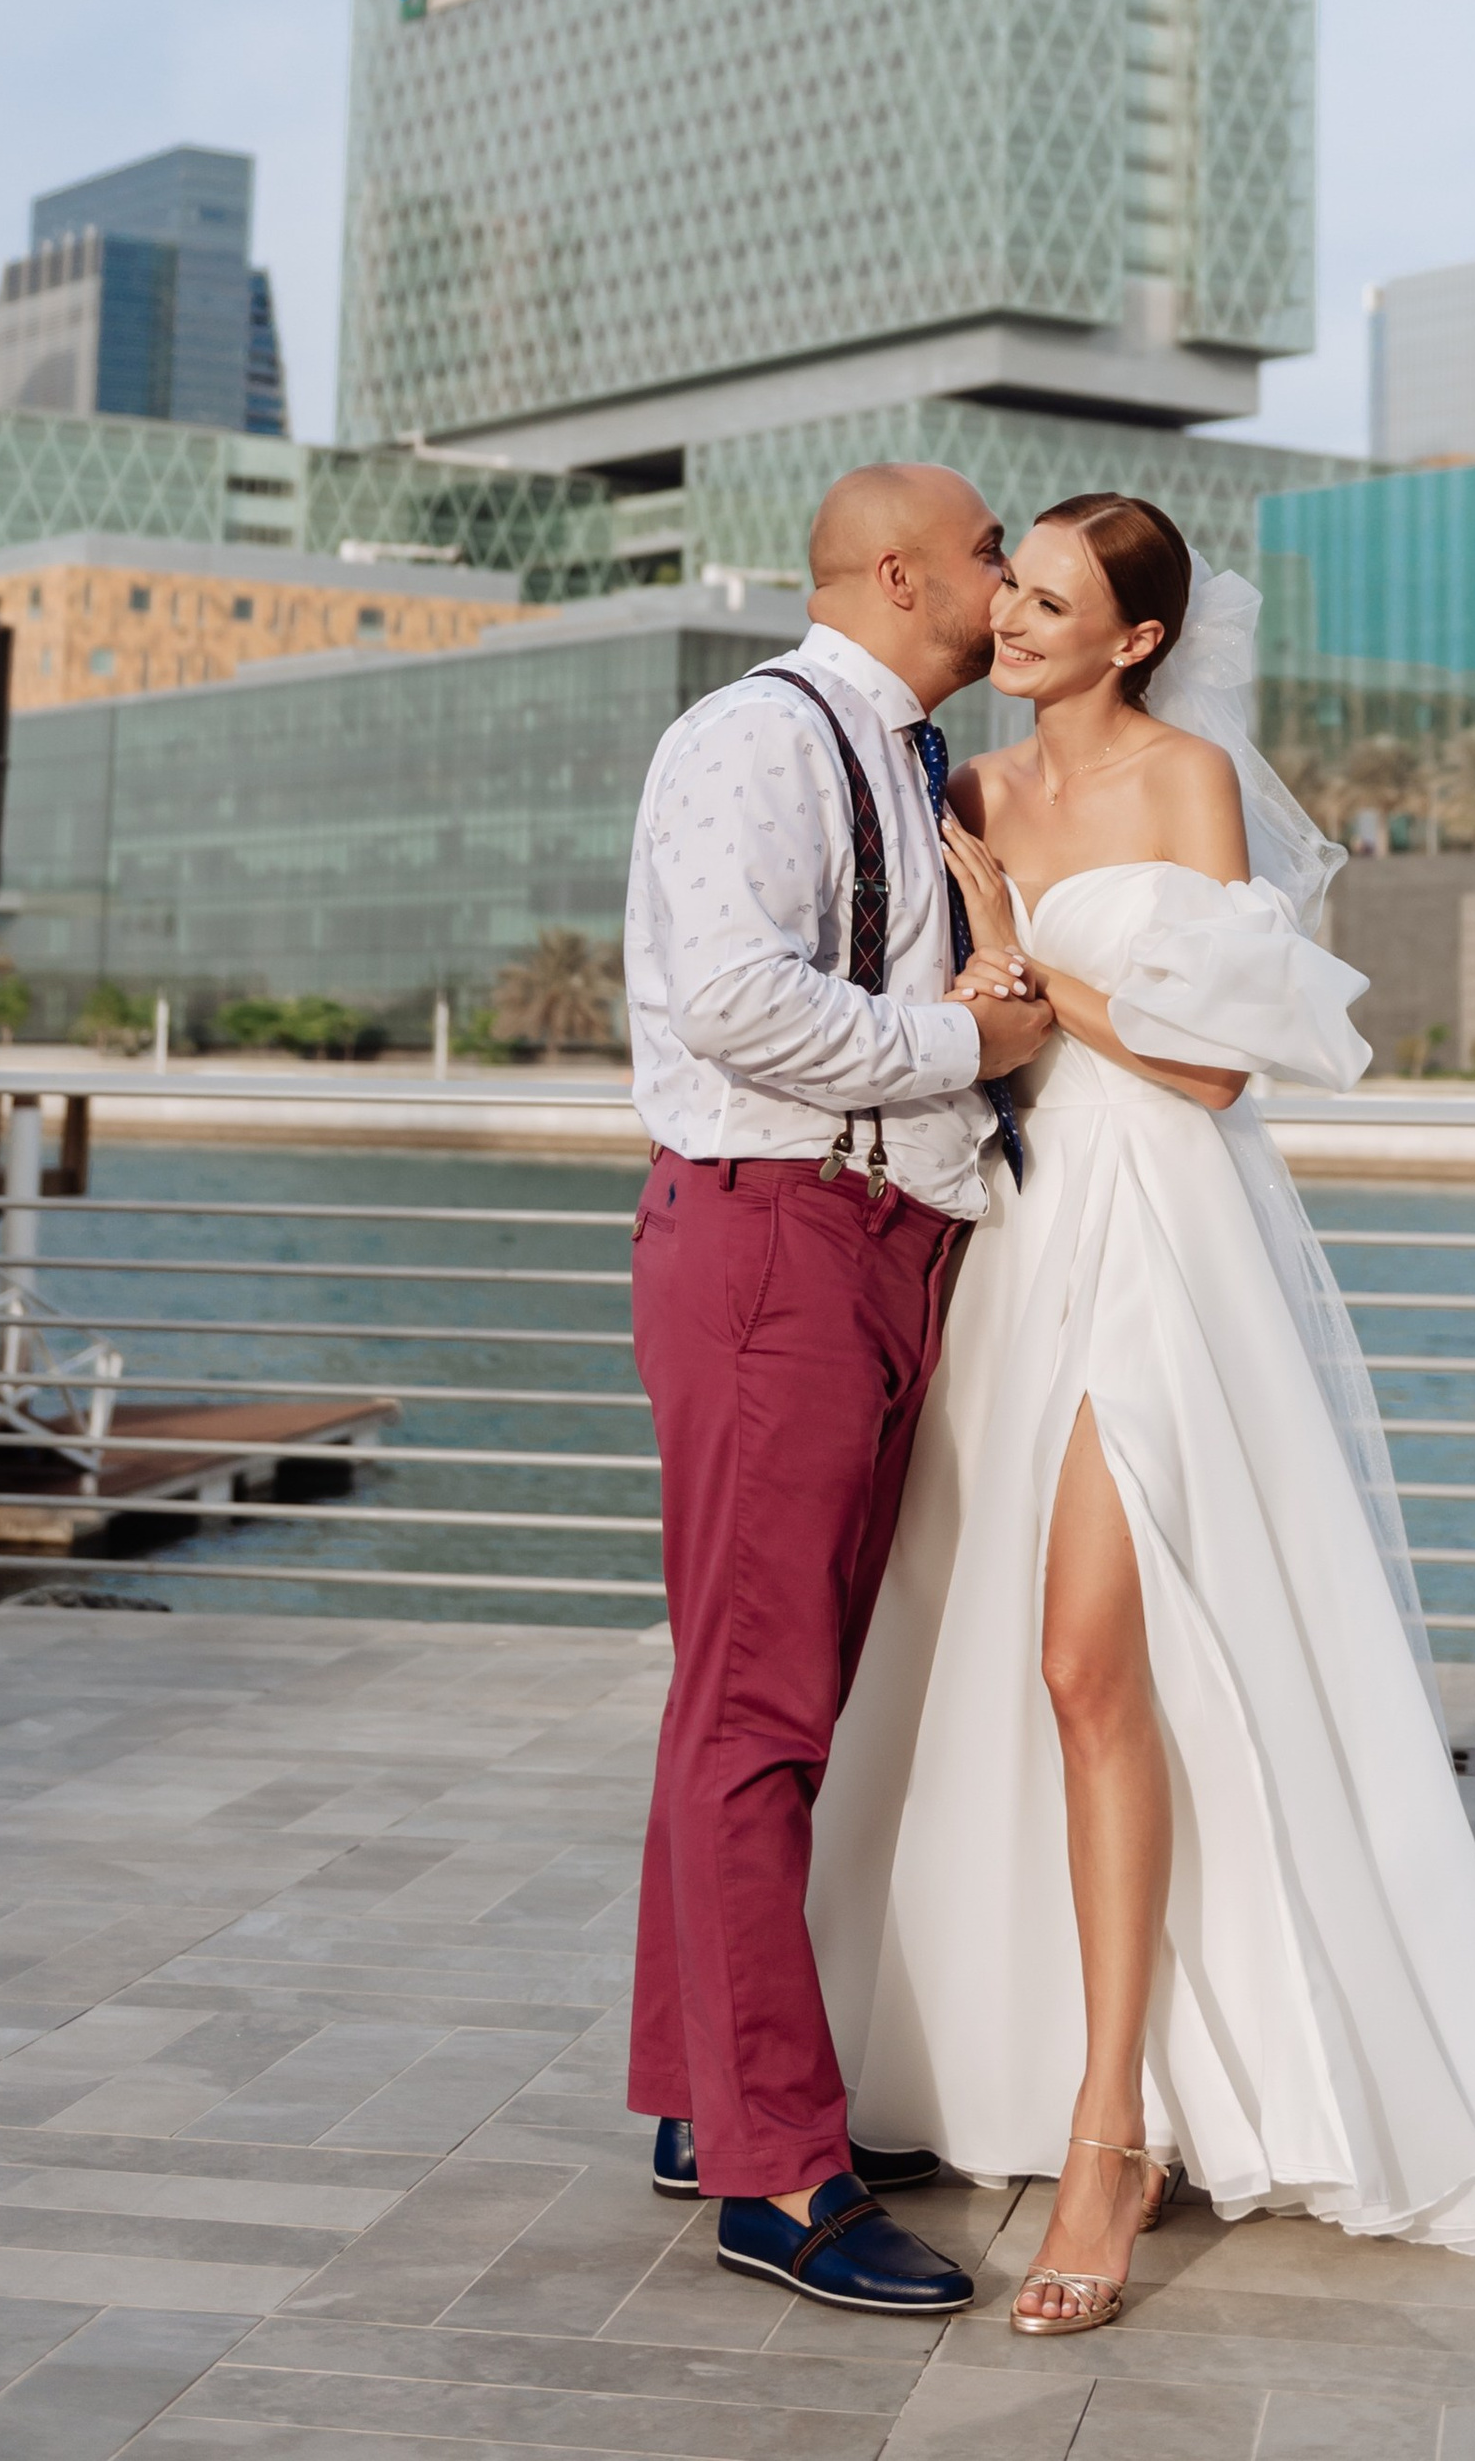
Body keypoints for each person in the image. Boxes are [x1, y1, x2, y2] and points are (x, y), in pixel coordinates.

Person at [806, 491, 1475, 2336]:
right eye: (1008, 589)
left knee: (1083, 1661)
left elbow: (1203, 1064)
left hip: (1159, 1241)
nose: (1013, 621)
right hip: (1014, 1240)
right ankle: (1030, 2056)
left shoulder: (1189, 781)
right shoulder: (962, 791)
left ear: (1135, 640)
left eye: (1053, 604)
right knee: (1018, 1670)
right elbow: (957, 1022)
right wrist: (983, 976)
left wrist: (1041, 970)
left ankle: (1110, 2137)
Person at [620, 459, 1057, 2317]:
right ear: (898, 573)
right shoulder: (755, 732)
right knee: (761, 1713)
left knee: (753, 1686)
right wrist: (966, 1041)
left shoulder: (914, 763)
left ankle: (695, 2100)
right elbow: (728, 993)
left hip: (872, 1244)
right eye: (987, 555)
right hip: (774, 1242)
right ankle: (777, 2182)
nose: (1010, 576)